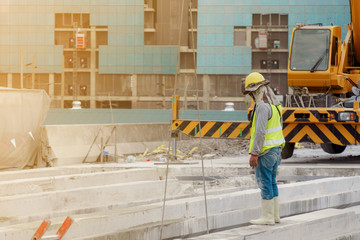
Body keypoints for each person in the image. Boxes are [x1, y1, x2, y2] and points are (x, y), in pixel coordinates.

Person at [243, 72, 285, 225]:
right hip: (276, 150)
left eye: (251, 93)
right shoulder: (276, 106)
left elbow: (260, 132)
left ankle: (267, 217)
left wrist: (254, 154)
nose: (251, 97)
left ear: (256, 91)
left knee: (265, 183)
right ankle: (274, 216)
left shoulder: (262, 107)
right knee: (272, 182)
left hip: (265, 152)